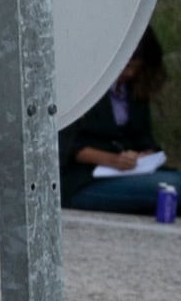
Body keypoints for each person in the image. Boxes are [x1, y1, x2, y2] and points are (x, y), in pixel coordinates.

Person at [63, 31, 172, 215]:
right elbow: (67, 145)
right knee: (169, 188)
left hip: (126, 173)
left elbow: (143, 137)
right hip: (83, 180)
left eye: (134, 68)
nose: (128, 73)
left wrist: (146, 155)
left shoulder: (133, 90)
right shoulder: (83, 86)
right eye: (126, 66)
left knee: (173, 181)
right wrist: (113, 160)